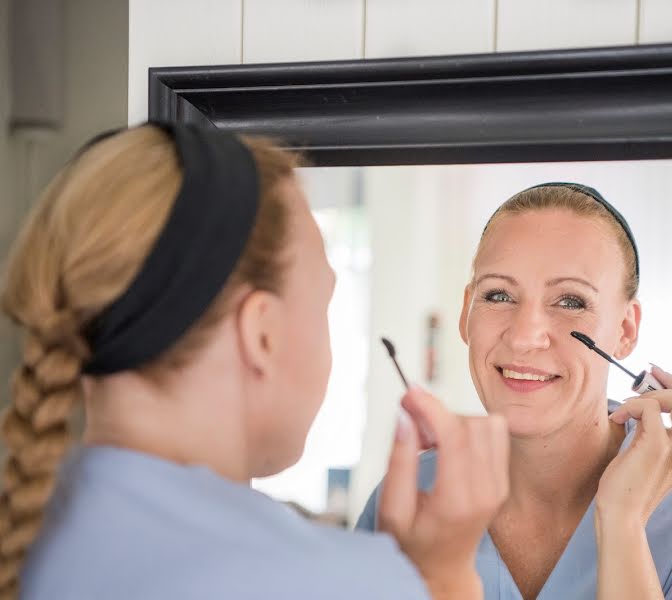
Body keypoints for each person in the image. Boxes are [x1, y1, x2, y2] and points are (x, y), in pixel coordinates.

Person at [0, 123, 510, 600]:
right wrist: (442, 575)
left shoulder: (22, 525)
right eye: (324, 303)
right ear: (262, 334)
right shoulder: (329, 584)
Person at [358, 183, 672, 599]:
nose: (523, 337)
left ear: (625, 330)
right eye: (498, 295)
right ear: (466, 314)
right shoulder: (409, 495)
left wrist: (622, 523)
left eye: (571, 301)